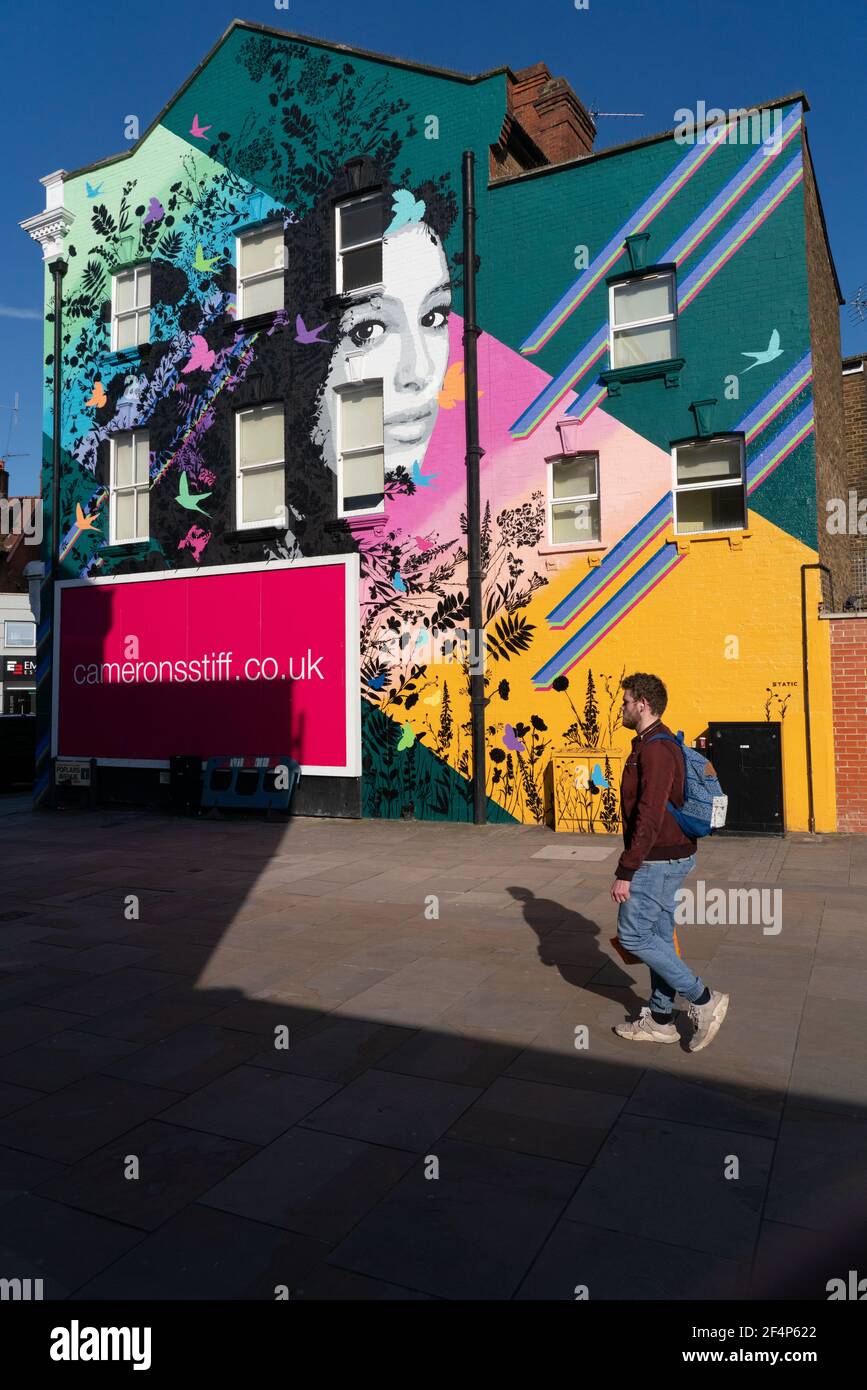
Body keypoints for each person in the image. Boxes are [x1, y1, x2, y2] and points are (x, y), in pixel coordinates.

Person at [610, 672, 729, 1052]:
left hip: (657, 859)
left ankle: (703, 1000)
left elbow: (650, 813)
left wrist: (627, 870)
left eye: (626, 702)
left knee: (633, 935)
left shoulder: (656, 750)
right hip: (668, 855)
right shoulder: (652, 743)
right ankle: (661, 1020)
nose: (622, 707)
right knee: (659, 938)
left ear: (642, 704)